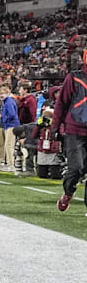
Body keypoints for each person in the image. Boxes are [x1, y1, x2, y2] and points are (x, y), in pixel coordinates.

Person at [52, 48, 87, 214]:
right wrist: (55, 127)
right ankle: (68, 192)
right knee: (76, 168)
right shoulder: (73, 77)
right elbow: (61, 103)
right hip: (75, 130)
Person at [0, 85, 19, 172]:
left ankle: (11, 164)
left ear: (7, 93)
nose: (1, 95)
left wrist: (4, 118)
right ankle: (10, 163)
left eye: (3, 93)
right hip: (9, 125)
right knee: (8, 145)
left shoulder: (9, 102)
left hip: (11, 125)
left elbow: (12, 114)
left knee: (9, 145)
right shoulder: (7, 101)